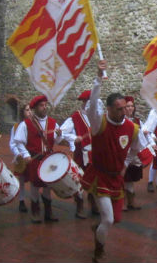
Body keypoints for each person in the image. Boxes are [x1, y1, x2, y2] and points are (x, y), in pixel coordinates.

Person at [80, 60, 150, 263]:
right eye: (118, 109)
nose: (123, 112)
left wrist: (125, 165)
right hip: (100, 176)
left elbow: (135, 150)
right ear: (109, 109)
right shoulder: (98, 123)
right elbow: (93, 104)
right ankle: (99, 250)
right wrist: (98, 79)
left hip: (116, 178)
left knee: (115, 219)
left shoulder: (132, 128)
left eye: (124, 109)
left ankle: (99, 229)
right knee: (109, 219)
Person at [13, 95, 64, 223]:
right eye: (41, 105)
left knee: (48, 185)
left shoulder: (52, 122)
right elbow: (18, 141)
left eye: (45, 105)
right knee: (35, 186)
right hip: (35, 160)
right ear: (35, 108)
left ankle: (48, 212)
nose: (44, 107)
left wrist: (59, 135)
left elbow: (57, 140)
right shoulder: (27, 124)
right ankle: (35, 212)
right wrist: (25, 155)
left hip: (48, 159)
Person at [60, 90, 96, 218]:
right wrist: (74, 137)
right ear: (84, 102)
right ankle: (79, 205)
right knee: (79, 179)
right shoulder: (75, 117)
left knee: (94, 178)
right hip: (82, 154)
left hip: (95, 154)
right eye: (89, 102)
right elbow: (62, 132)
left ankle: (93, 203)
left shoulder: (97, 116)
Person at [9, 104, 32, 213]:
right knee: (22, 179)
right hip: (22, 156)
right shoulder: (16, 127)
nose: (30, 112)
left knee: (34, 178)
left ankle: (34, 200)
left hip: (32, 156)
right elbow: (13, 143)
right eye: (27, 110)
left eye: (31, 110)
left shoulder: (35, 125)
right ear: (22, 112)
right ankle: (21, 200)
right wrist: (18, 154)